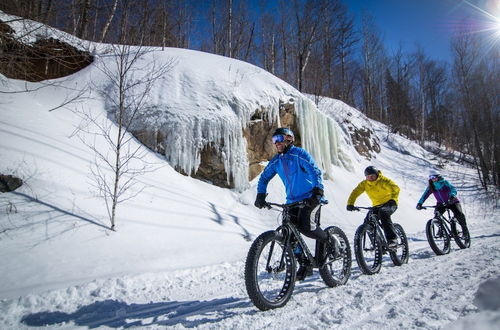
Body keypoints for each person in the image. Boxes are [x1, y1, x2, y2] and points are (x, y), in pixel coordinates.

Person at [254, 127, 334, 281]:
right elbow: (264, 178)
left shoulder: (299, 154)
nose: (276, 143)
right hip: (291, 202)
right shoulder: (276, 160)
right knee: (288, 235)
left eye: (279, 139)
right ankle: (305, 264)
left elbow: (315, 171)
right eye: (274, 140)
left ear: (289, 139)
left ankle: (329, 240)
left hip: (310, 198)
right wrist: (260, 194)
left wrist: (318, 191)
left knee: (307, 227)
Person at [346, 166, 400, 247]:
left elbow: (395, 188)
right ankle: (379, 245)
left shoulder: (384, 181)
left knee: (384, 213)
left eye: (372, 176)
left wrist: (393, 199)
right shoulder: (364, 184)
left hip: (390, 203)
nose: (370, 178)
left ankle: (392, 239)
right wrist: (350, 203)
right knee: (368, 221)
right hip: (377, 206)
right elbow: (355, 192)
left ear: (377, 175)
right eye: (368, 176)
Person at [416, 171, 469, 235]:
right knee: (436, 217)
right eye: (430, 177)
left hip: (452, 202)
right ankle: (442, 230)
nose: (432, 179)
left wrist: (452, 195)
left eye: (433, 177)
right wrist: (420, 203)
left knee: (459, 215)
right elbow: (425, 195)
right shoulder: (431, 186)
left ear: (438, 177)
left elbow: (453, 189)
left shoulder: (444, 183)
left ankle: (465, 231)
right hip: (441, 204)